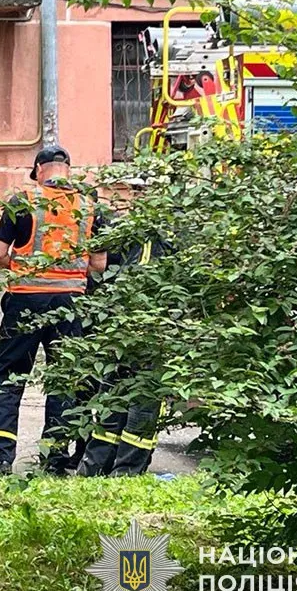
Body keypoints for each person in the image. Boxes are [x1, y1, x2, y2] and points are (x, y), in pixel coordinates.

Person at [0, 146, 106, 477]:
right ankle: (54, 460)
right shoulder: (90, 205)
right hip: (70, 303)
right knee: (64, 380)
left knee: (9, 378)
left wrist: (25, 270)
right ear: (68, 169)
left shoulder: (22, 200)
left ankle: (0, 460)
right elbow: (99, 263)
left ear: (39, 169)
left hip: (25, 300)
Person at [77, 200, 171, 478]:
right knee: (146, 398)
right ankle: (127, 471)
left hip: (119, 324)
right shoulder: (170, 241)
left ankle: (94, 467)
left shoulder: (121, 232)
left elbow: (99, 266)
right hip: (152, 326)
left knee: (113, 392)